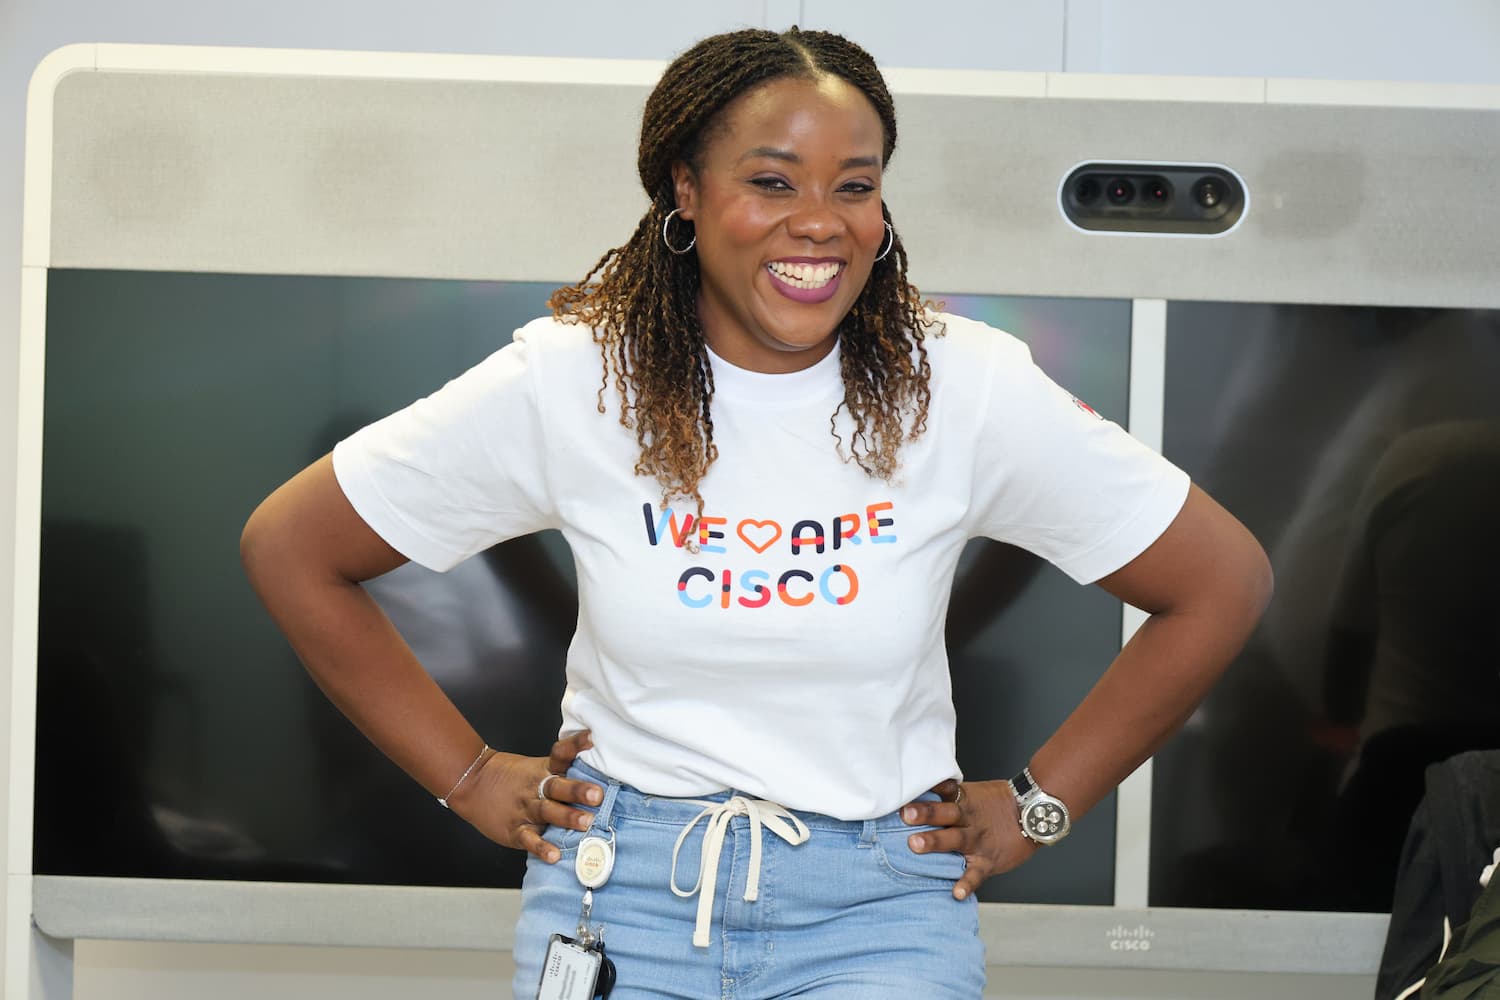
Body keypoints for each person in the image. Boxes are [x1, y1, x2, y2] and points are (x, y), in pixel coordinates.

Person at [240, 26, 1273, 999]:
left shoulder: (961, 385)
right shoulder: (574, 381)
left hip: (880, 912)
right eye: (772, 181)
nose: (820, 221)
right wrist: (467, 775)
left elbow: (1219, 581)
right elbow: (294, 547)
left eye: (855, 186)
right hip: (620, 901)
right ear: (686, 191)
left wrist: (1040, 805)